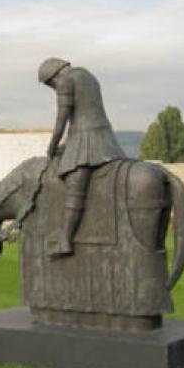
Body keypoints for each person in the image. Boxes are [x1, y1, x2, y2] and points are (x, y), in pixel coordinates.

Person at [38, 57, 126, 257]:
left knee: (75, 184)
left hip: (86, 139)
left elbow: (62, 118)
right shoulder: (87, 75)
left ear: (54, 75)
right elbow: (84, 113)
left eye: (50, 84)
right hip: (103, 136)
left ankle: (65, 239)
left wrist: (52, 146)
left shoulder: (66, 80)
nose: (53, 88)